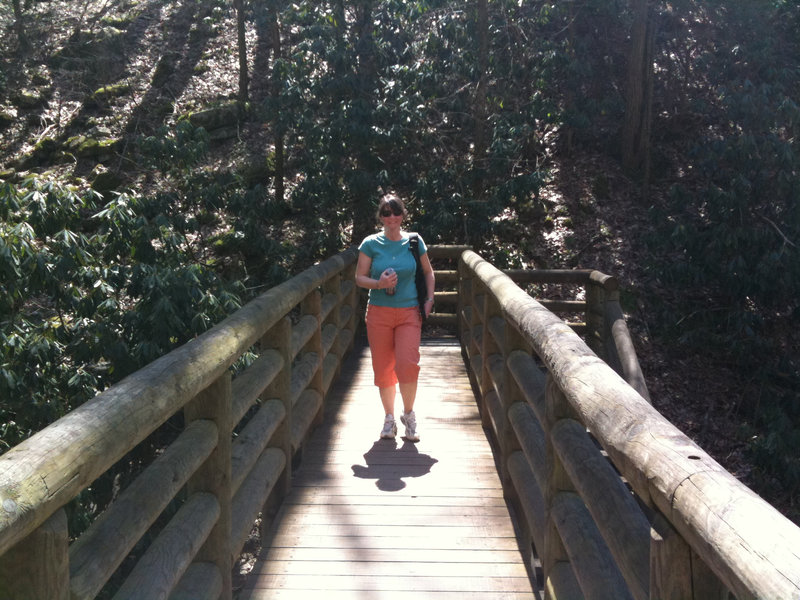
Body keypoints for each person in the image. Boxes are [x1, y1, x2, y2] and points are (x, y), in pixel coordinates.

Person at [355, 193, 435, 442]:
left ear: (403, 215)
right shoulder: (370, 243)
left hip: (409, 311)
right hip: (379, 312)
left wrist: (429, 299)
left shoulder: (414, 241)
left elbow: (428, 272)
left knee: (407, 364)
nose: (392, 218)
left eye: (396, 212)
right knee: (383, 367)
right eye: (386, 213)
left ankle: (409, 416)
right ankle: (389, 419)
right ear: (380, 216)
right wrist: (379, 284)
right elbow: (359, 277)